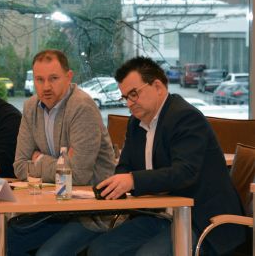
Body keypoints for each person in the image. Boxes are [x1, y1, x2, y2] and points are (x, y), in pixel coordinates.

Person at [88, 57, 245, 255]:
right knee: (100, 249)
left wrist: (132, 181)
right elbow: (125, 165)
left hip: (199, 220)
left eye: (134, 94)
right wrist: (116, 185)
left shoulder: (185, 117)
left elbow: (184, 173)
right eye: (125, 97)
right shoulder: (135, 123)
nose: (129, 103)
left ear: (158, 86)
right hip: (158, 216)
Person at [9, 49, 116, 255]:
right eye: (39, 79)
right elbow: (20, 166)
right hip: (50, 206)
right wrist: (61, 163)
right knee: (2, 240)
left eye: (54, 78)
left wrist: (39, 159)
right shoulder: (31, 107)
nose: (46, 86)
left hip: (90, 212)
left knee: (48, 254)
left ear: (69, 77)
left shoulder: (82, 107)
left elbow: (78, 175)